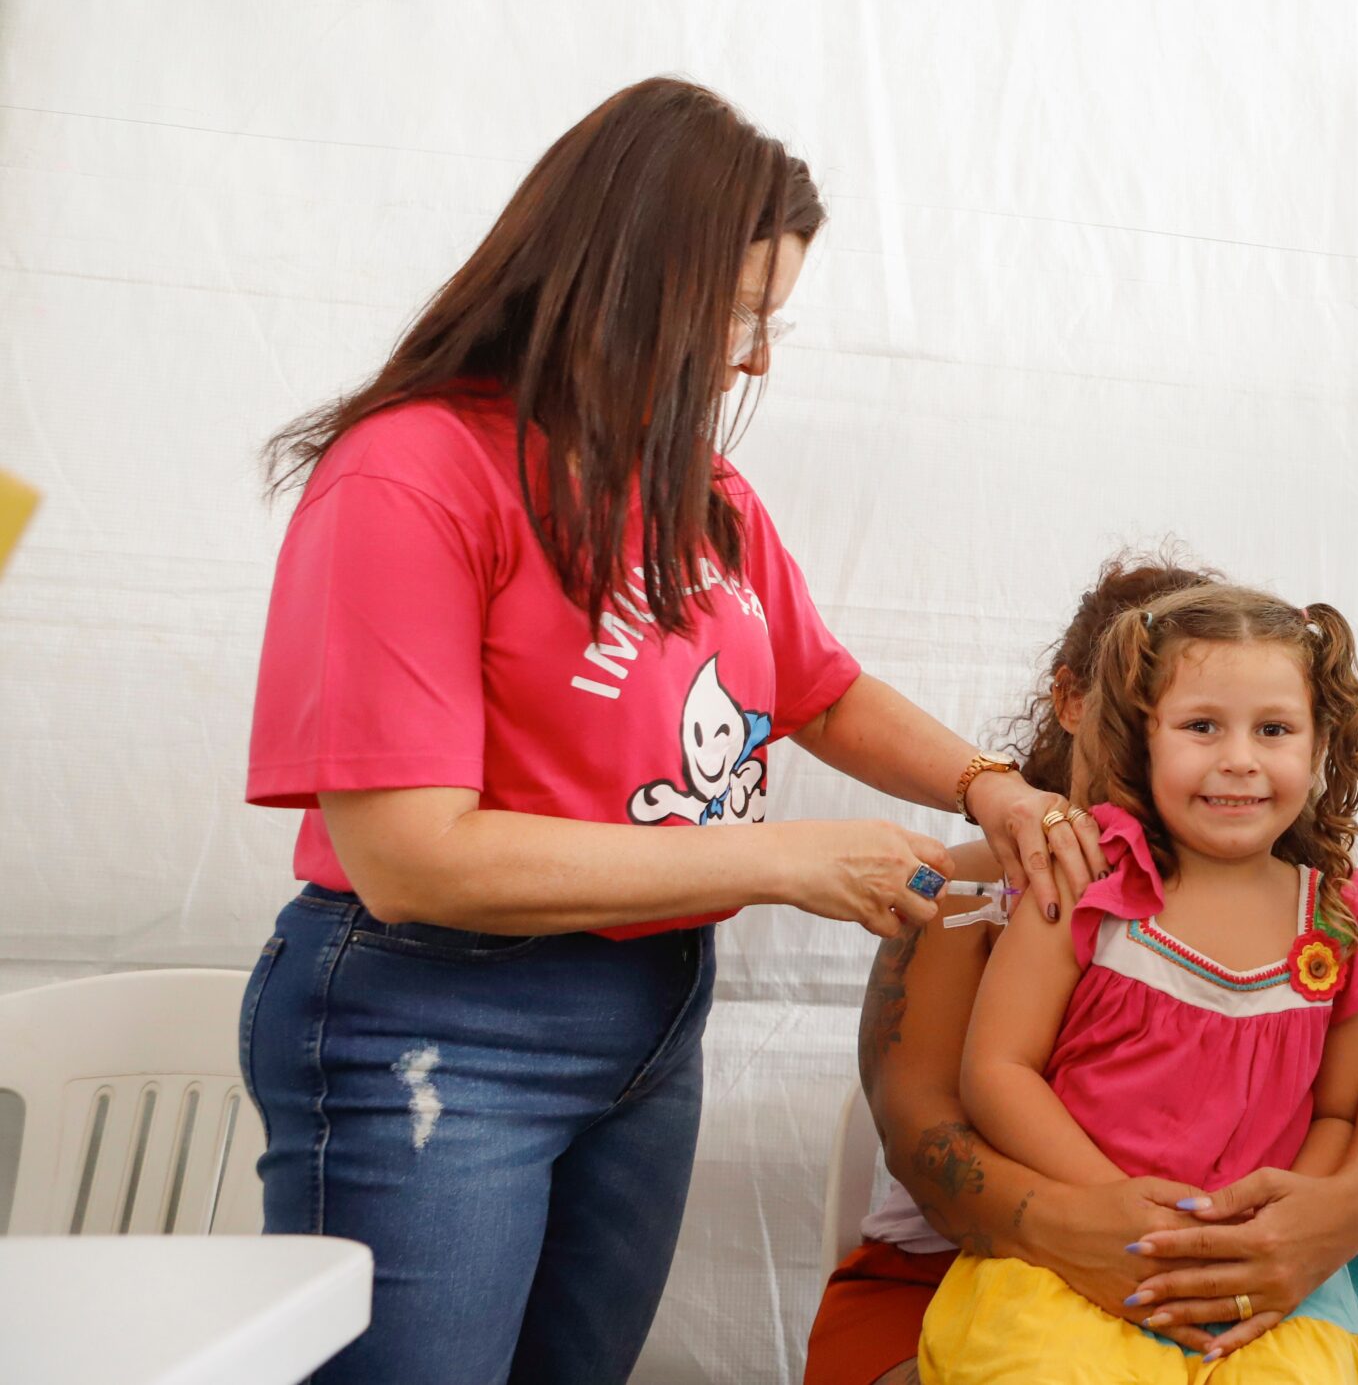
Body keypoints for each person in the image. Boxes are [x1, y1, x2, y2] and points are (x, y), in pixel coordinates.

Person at [238, 77, 1071, 1385]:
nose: (753, 358)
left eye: (771, 320)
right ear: (627, 277)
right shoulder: (411, 475)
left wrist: (992, 783)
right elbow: (412, 856)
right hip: (436, 1016)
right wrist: (781, 860)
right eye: (741, 312)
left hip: (646, 1017)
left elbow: (820, 686)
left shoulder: (699, 490)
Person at [807, 557, 1358, 1384]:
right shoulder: (993, 884)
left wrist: (1333, 1213)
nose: (1234, 755)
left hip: (1231, 1277)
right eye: (1195, 719)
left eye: (1269, 722)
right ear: (1086, 702)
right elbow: (925, 1126)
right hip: (974, 1266)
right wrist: (1096, 1224)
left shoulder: (1309, 909)